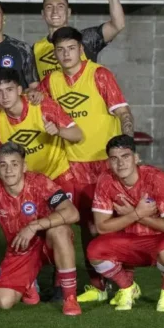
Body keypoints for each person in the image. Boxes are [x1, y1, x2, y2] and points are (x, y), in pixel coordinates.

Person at [40, 26, 134, 303]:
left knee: (105, 226)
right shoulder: (50, 82)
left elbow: (124, 113)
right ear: (55, 53)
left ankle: (116, 281)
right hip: (68, 165)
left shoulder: (100, 75)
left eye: (71, 48)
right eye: (60, 49)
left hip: (102, 166)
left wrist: (127, 146)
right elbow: (37, 107)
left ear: (81, 49)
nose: (66, 54)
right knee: (72, 226)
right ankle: (79, 285)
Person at [0, 142, 82, 316]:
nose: (9, 170)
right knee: (2, 302)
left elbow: (72, 213)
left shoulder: (40, 183)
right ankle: (29, 284)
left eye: (14, 164)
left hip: (48, 243)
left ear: (24, 167)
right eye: (3, 165)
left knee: (60, 231)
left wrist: (34, 226)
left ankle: (70, 298)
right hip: (20, 249)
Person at [88, 135, 164, 312]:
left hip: (159, 239)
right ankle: (127, 287)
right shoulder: (105, 180)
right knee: (95, 251)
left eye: (125, 156)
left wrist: (137, 216)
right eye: (114, 158)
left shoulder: (156, 178)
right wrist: (137, 213)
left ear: (136, 158)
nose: (120, 163)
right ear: (108, 162)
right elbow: (101, 227)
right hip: (129, 240)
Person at [0, 67, 81, 196]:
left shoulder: (41, 105)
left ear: (19, 90)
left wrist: (58, 131)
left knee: (68, 216)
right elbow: (0, 161)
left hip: (58, 176)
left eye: (9, 90)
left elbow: (77, 134)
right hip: (29, 183)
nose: (5, 96)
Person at [34, 0, 125, 79]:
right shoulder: (36, 49)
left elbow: (118, 25)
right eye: (49, 7)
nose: (55, 11)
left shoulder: (85, 39)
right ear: (43, 14)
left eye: (60, 7)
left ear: (68, 12)